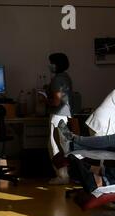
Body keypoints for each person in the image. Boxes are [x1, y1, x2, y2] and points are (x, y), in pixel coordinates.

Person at [47, 52, 74, 185]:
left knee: (54, 147)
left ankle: (62, 176)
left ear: (56, 64)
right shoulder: (66, 77)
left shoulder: (57, 79)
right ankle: (65, 175)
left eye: (51, 62)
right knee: (64, 146)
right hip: (66, 115)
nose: (49, 65)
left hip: (57, 115)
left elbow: (56, 102)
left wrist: (45, 100)